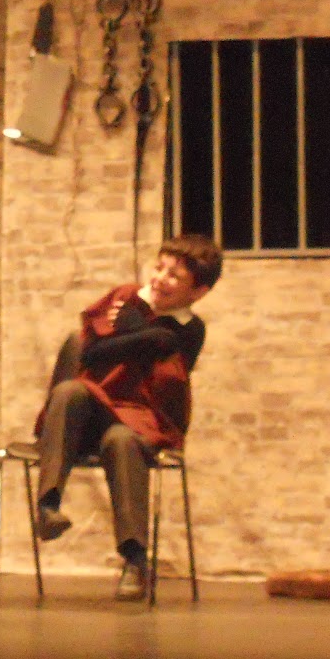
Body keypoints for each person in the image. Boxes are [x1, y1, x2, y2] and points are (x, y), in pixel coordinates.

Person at [33, 234, 223, 601]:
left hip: (141, 419)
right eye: (159, 267)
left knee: (121, 441)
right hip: (88, 414)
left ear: (198, 292)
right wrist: (147, 337)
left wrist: (135, 332)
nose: (159, 278)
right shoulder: (125, 296)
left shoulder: (192, 329)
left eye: (174, 276)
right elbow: (93, 354)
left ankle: (135, 559)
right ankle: (48, 505)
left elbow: (168, 351)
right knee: (69, 391)